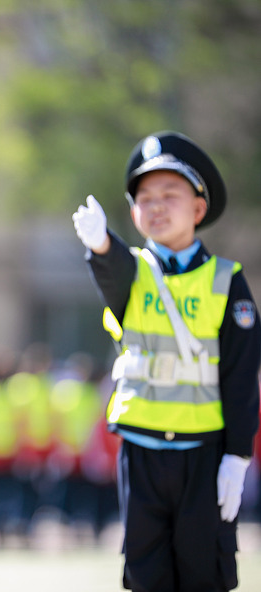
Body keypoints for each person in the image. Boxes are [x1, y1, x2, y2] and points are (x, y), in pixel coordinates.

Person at [72, 131, 260, 592]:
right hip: (141, 450)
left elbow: (240, 378)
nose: (155, 206)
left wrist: (238, 455)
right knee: (145, 567)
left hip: (205, 453)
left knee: (203, 568)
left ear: (198, 208)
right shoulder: (132, 271)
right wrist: (101, 246)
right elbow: (115, 275)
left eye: (169, 195)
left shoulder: (226, 281)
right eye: (145, 198)